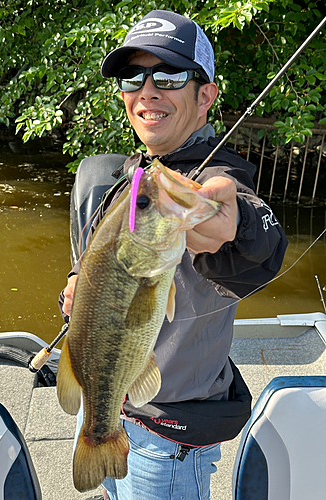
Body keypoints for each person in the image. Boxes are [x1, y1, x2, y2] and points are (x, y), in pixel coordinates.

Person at [59, 9, 288, 500]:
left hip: (166, 439)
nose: (147, 90)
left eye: (168, 75)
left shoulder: (211, 183)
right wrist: (80, 288)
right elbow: (100, 271)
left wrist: (238, 225)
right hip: (104, 403)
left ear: (206, 95)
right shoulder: (128, 176)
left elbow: (254, 235)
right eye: (132, 77)